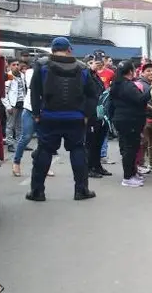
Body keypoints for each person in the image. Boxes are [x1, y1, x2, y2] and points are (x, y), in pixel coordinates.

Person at [25, 36, 99, 202]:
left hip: (49, 116)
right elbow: (93, 95)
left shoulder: (42, 65)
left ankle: (37, 191)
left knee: (44, 151)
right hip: (76, 117)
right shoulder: (82, 68)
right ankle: (81, 190)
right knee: (78, 150)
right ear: (69, 49)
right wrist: (86, 115)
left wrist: (36, 113)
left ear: (52, 49)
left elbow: (35, 92)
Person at [109, 60, 152, 188]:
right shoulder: (127, 85)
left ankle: (132, 173)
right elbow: (140, 100)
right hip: (129, 121)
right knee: (130, 149)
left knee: (130, 148)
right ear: (130, 71)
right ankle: (128, 177)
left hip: (123, 120)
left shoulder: (117, 84)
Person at [83, 57, 110, 179]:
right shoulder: (84, 74)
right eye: (91, 63)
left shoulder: (96, 77)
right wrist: (89, 68)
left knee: (98, 141)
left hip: (99, 112)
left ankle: (97, 165)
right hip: (90, 113)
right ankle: (89, 168)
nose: (95, 65)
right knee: (91, 142)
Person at [137, 63, 152, 175]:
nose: (151, 73)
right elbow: (141, 101)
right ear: (142, 73)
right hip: (144, 118)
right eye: (148, 71)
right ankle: (141, 164)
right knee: (143, 143)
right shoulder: (139, 84)